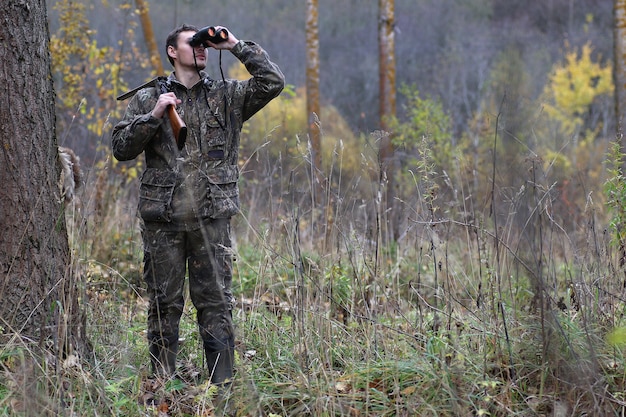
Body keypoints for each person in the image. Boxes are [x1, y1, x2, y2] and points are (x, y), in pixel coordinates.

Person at [111, 23, 284, 386]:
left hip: (211, 216)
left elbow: (272, 81)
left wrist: (234, 45)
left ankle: (222, 387)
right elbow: (121, 149)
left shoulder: (227, 95)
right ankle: (163, 386)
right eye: (194, 44)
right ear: (172, 52)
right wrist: (155, 115)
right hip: (164, 218)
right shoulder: (149, 98)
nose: (202, 48)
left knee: (216, 303)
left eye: (204, 44)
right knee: (164, 305)